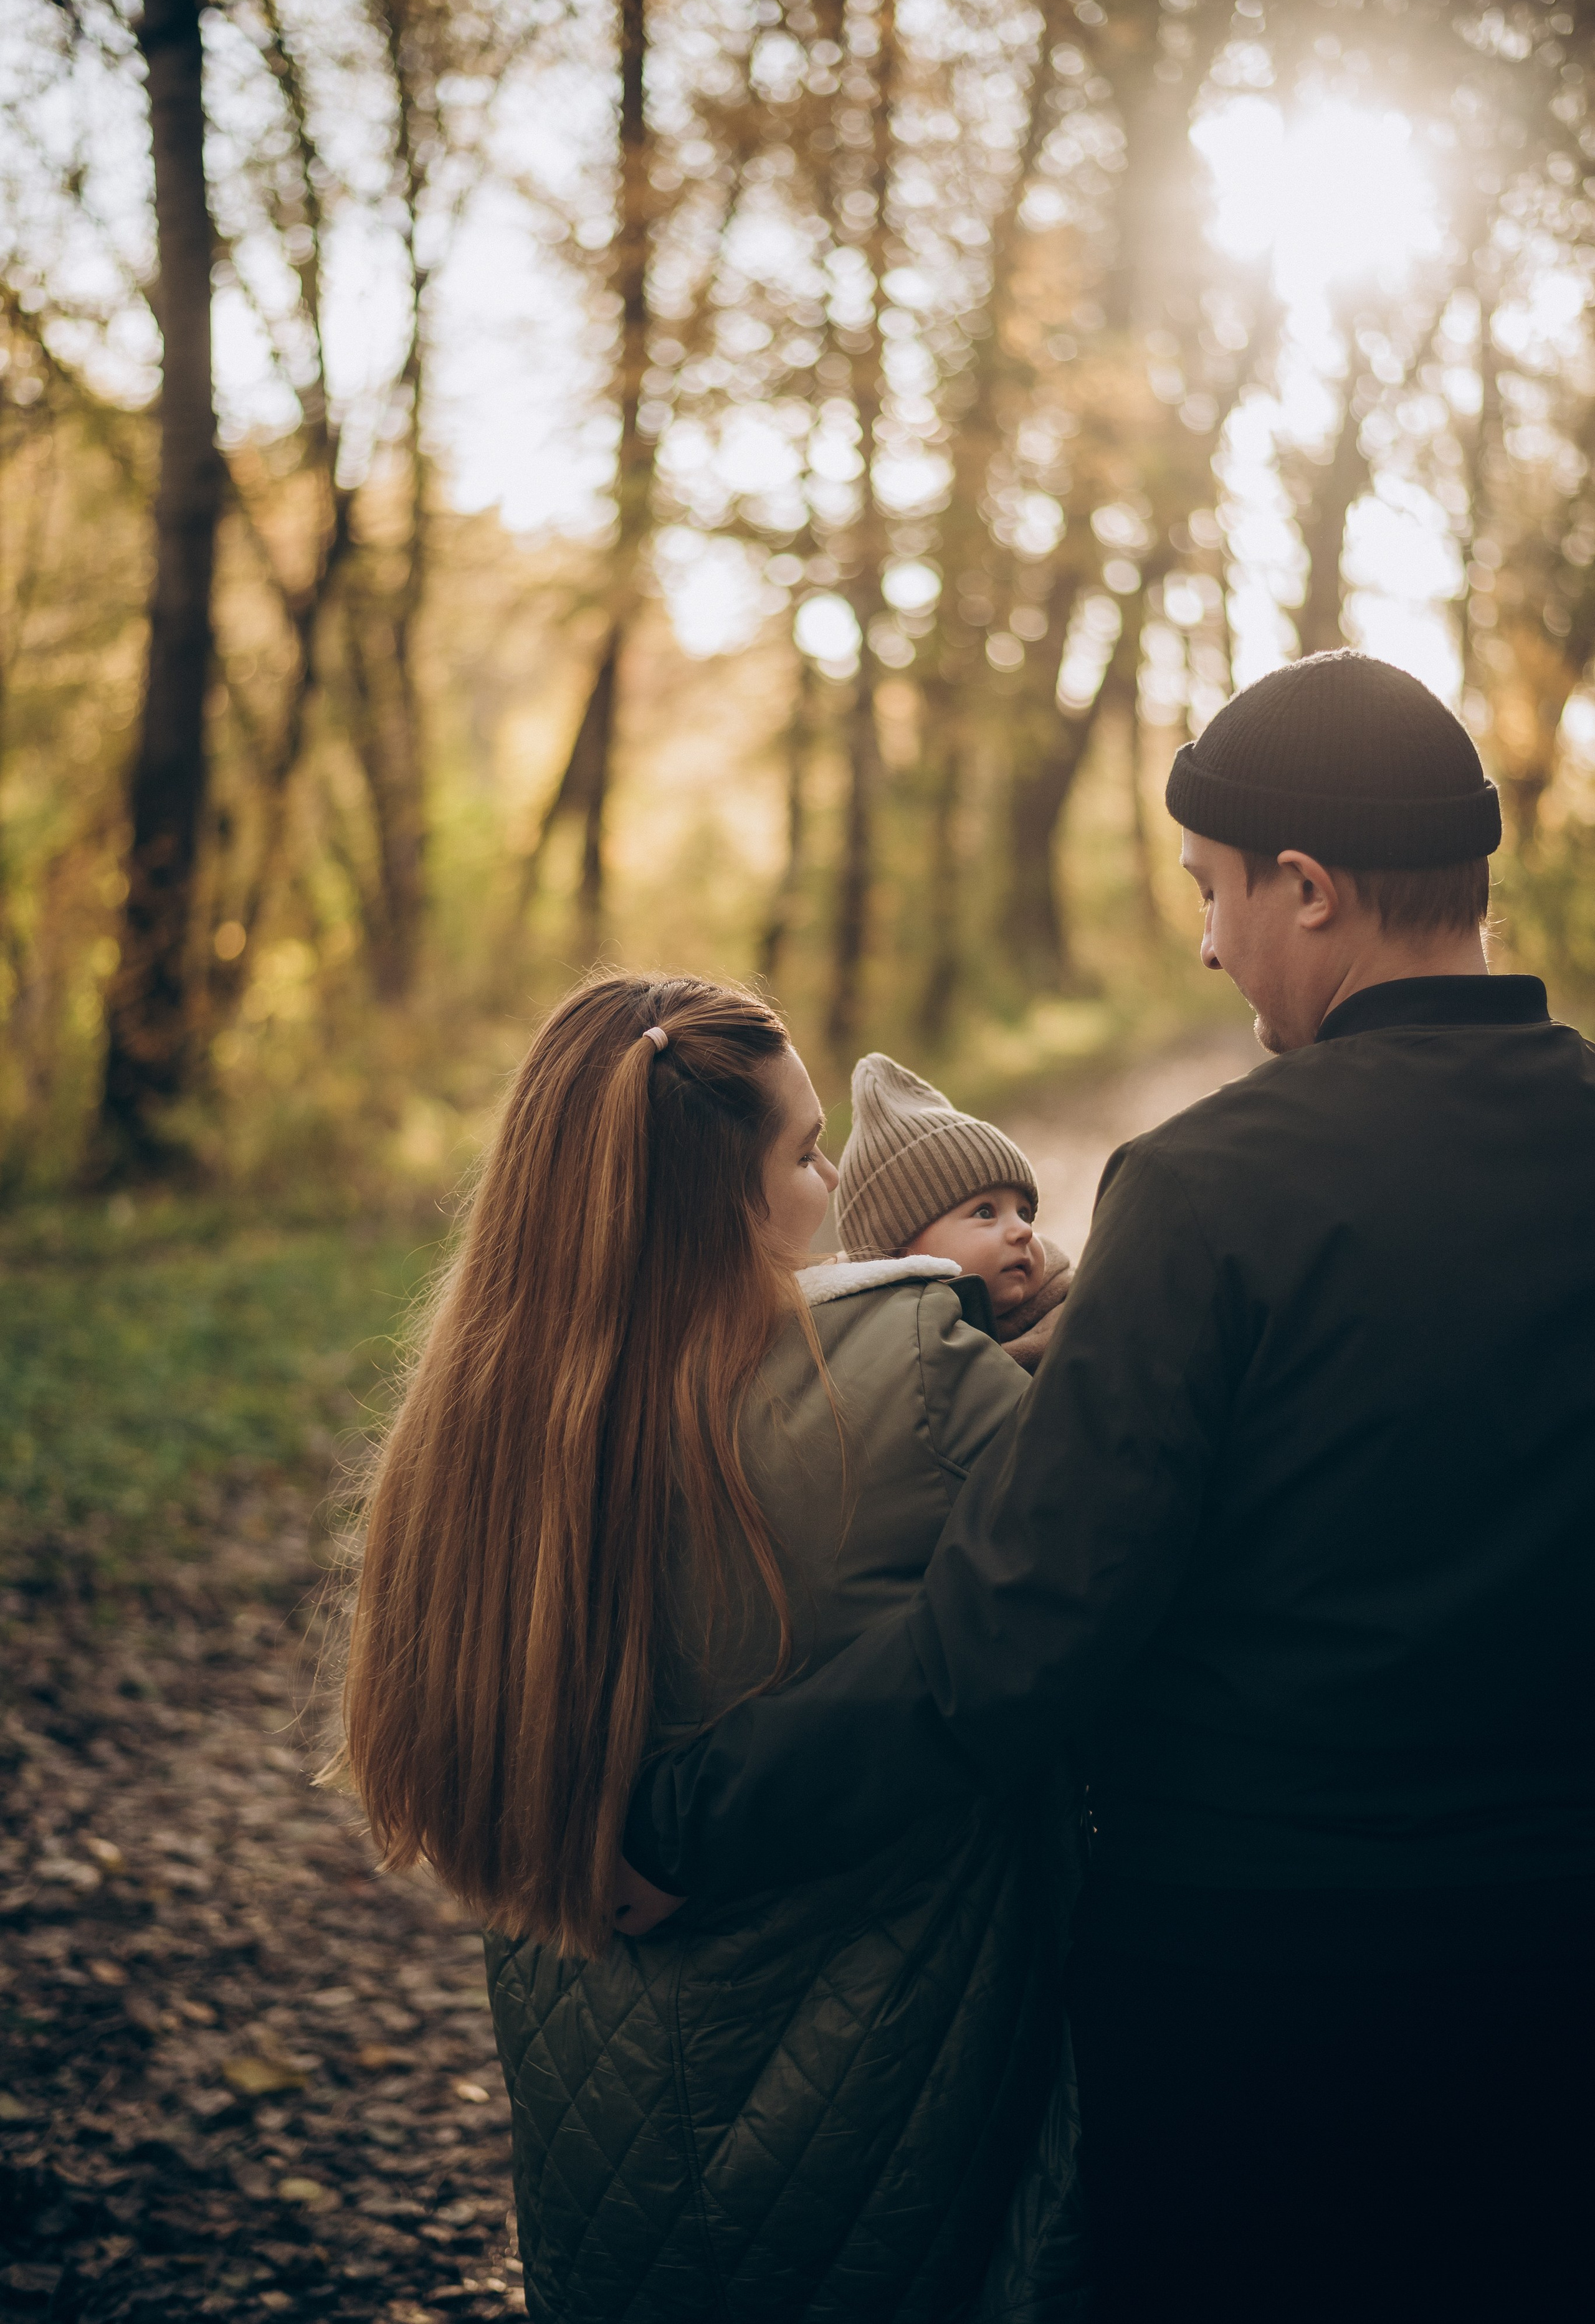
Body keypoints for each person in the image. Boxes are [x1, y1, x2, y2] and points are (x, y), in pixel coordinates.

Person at [623, 652, 1595, 2323]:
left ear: (1307, 887)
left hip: (1261, 2003)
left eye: (1215, 894)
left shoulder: (1211, 1191)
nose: (1210, 942)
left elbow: (1018, 1632)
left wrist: (687, 1819)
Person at [333, 973, 1090, 2324]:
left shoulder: (468, 1438)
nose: (837, 1179)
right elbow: (1125, 1528)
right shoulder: (894, 1370)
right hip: (876, 2145)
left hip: (601, 2166)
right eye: (804, 1154)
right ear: (713, 1203)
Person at [836, 1051, 1074, 1370]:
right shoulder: (883, 1364)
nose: (1025, 1231)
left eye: (1024, 1213)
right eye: (986, 1213)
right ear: (899, 1258)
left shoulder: (1072, 1312)